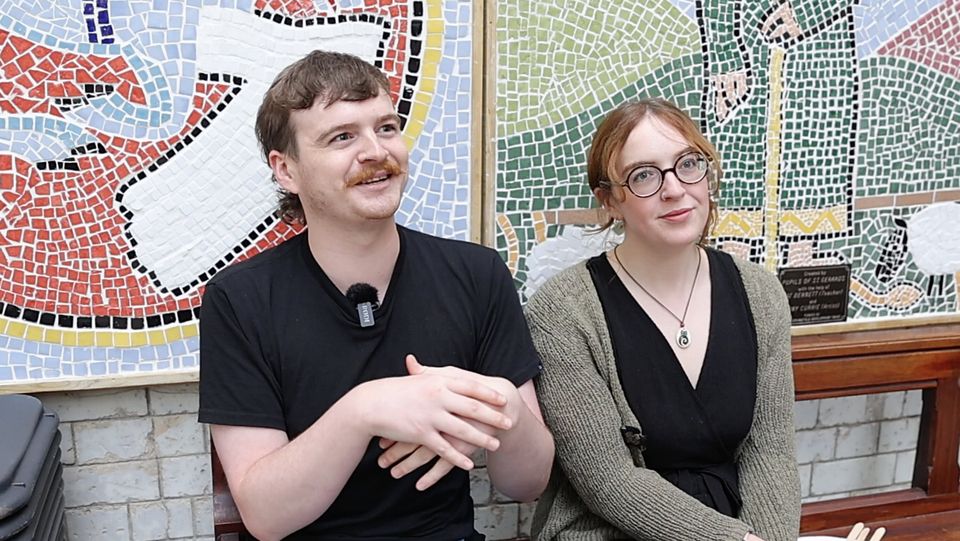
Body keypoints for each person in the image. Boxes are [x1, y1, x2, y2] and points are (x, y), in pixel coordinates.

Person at [198, 50, 554, 541]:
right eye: (342, 137)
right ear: (286, 171)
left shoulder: (477, 273)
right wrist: (364, 409)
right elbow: (265, 517)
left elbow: (527, 483)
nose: (375, 151)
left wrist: (503, 410)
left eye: (386, 128)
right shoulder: (239, 300)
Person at [525, 98, 800, 541]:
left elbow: (771, 454)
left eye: (688, 164)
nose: (674, 189)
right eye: (644, 176)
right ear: (610, 200)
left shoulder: (761, 294)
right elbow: (609, 481)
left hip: (737, 526)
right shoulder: (563, 311)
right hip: (608, 530)